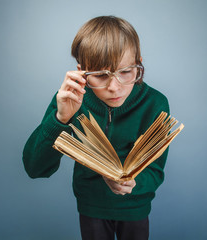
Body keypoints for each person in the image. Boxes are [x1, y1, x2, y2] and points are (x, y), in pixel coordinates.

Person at [23, 16, 170, 240]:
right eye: (101, 75)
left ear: (139, 63)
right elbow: (35, 168)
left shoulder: (156, 104)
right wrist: (60, 118)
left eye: (126, 72)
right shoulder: (71, 100)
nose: (114, 87)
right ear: (82, 72)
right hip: (91, 207)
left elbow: (155, 171)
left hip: (135, 208)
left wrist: (134, 183)